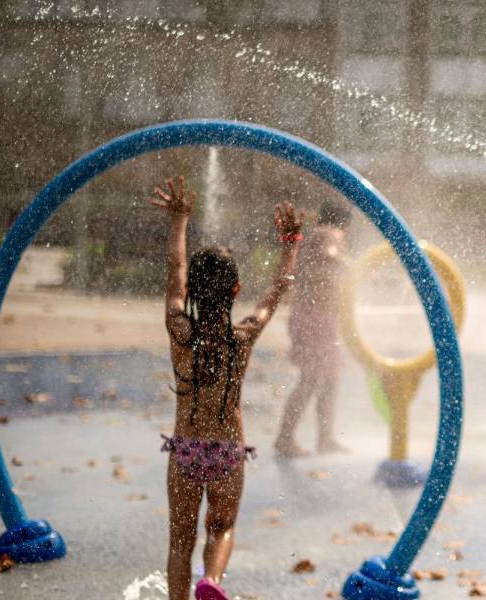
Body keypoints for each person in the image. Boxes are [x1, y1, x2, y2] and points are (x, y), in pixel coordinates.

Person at [151, 176, 303, 600]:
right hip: (227, 450)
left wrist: (179, 221)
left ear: (195, 291)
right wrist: (290, 243)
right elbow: (275, 295)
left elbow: (175, 271)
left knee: (180, 540)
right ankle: (212, 582)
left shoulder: (179, 330)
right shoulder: (243, 337)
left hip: (186, 450)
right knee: (223, 527)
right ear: (236, 290)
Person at [274, 200, 352, 457]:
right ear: (343, 223)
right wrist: (355, 267)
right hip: (314, 318)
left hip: (318, 318)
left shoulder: (313, 237)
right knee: (311, 379)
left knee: (330, 379)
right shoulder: (328, 234)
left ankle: (325, 438)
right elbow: (330, 253)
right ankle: (285, 439)